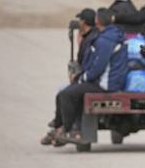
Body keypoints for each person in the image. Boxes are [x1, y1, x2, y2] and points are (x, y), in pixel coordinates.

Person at [55, 8, 129, 143]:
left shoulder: (105, 40)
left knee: (66, 94)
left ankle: (68, 130)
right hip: (112, 81)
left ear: (97, 21)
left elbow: (98, 68)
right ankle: (65, 128)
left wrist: (81, 78)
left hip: (105, 85)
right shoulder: (114, 35)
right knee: (71, 91)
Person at [40, 8, 99, 146]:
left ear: (84, 22)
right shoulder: (94, 36)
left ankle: (63, 127)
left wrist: (79, 77)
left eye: (80, 20)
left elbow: (83, 63)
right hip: (89, 77)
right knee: (65, 92)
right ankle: (59, 126)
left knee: (65, 93)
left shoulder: (89, 40)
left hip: (90, 79)